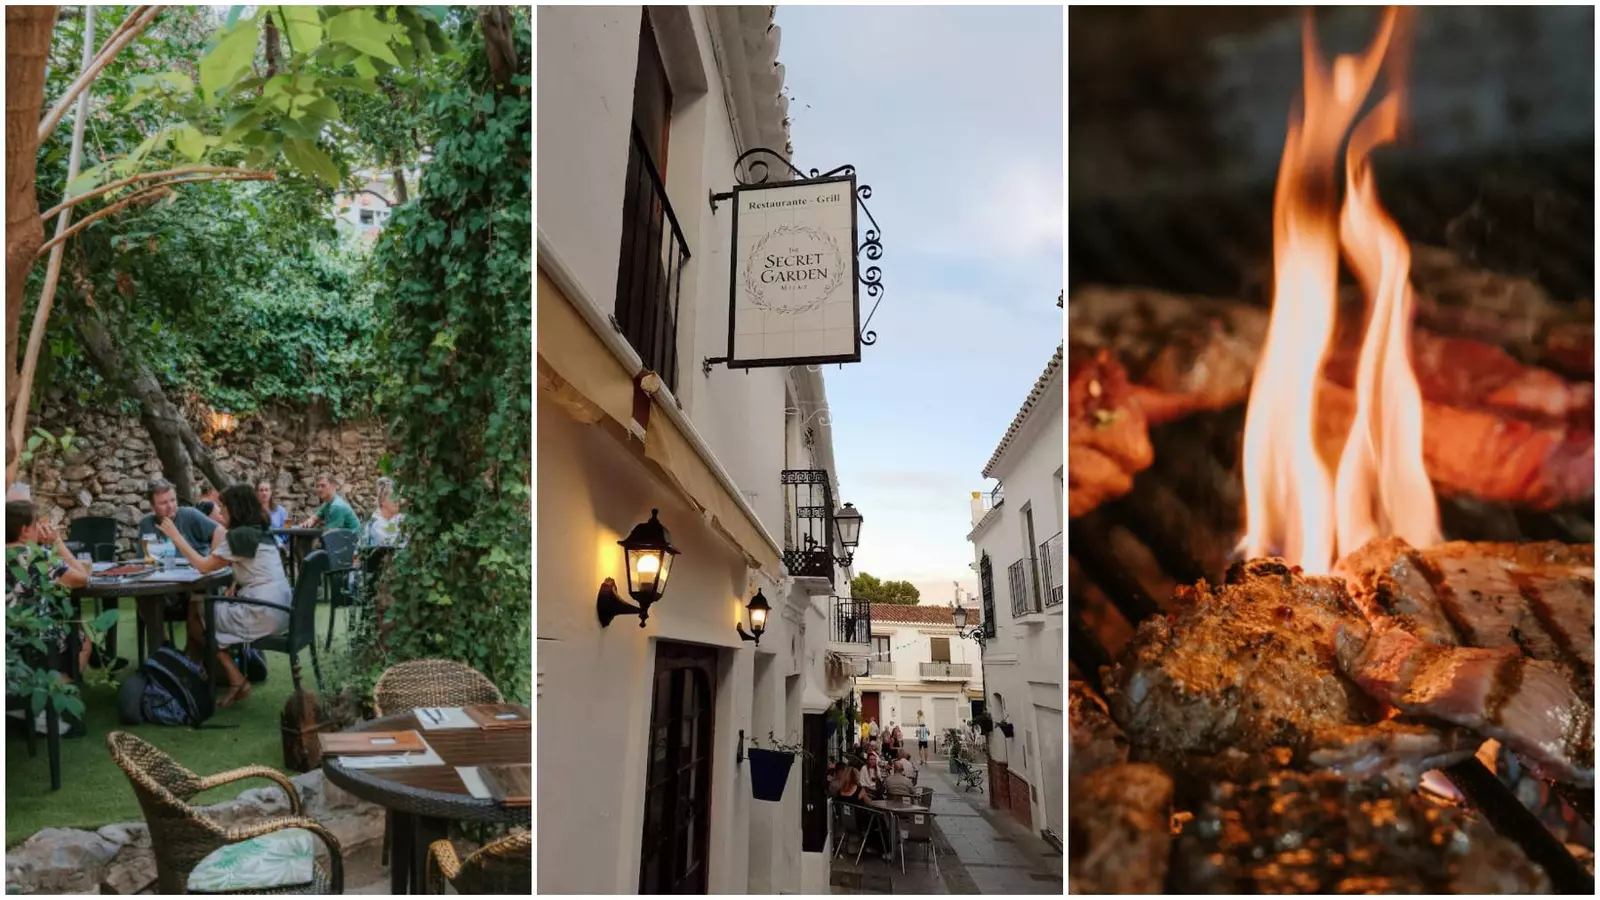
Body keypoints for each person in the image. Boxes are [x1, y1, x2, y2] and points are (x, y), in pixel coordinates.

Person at [159, 484, 291, 708]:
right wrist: (234, 583)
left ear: (236, 509)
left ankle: (219, 674)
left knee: (198, 609)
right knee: (207, 608)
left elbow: (202, 566)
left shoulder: (238, 536)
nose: (221, 513)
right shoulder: (260, 530)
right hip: (282, 608)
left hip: (262, 611)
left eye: (224, 507)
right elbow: (253, 566)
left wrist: (175, 535)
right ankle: (210, 671)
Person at [6, 501, 92, 734]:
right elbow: (82, 578)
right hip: (32, 641)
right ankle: (47, 710)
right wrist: (57, 543)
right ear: (25, 530)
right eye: (36, 524)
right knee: (81, 638)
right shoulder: (36, 557)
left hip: (8, 641)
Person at [137, 479, 219, 659]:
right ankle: (164, 649)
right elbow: (143, 561)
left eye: (173, 500)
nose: (170, 506)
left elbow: (219, 532)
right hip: (164, 587)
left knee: (196, 595)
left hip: (195, 584)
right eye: (163, 503)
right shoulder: (146, 525)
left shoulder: (189, 515)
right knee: (143, 595)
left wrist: (212, 559)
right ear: (152, 506)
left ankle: (192, 657)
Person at [362, 477, 405, 547]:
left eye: (397, 496)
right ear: (382, 501)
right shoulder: (375, 523)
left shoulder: (401, 518)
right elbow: (388, 546)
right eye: (392, 497)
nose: (396, 500)